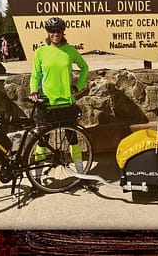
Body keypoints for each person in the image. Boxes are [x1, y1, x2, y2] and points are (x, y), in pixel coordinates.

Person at [29, 17, 97, 193]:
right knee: (42, 141)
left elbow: (84, 67)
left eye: (58, 31)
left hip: (66, 102)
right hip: (47, 103)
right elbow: (35, 75)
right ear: (48, 33)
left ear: (62, 32)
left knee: (72, 139)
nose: (55, 34)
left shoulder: (70, 51)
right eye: (52, 31)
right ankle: (36, 180)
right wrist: (33, 91)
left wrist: (78, 85)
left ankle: (81, 175)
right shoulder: (41, 52)